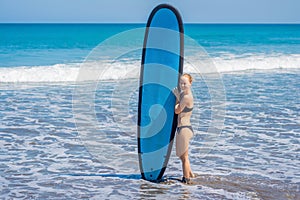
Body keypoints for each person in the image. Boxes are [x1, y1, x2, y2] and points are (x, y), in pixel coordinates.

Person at [173, 73, 195, 184]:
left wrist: (176, 98)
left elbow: (177, 110)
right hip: (184, 128)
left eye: (185, 83)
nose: (182, 85)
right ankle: (190, 173)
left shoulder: (186, 97)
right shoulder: (184, 95)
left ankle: (186, 179)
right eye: (181, 83)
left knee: (184, 157)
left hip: (184, 129)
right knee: (183, 156)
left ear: (190, 83)